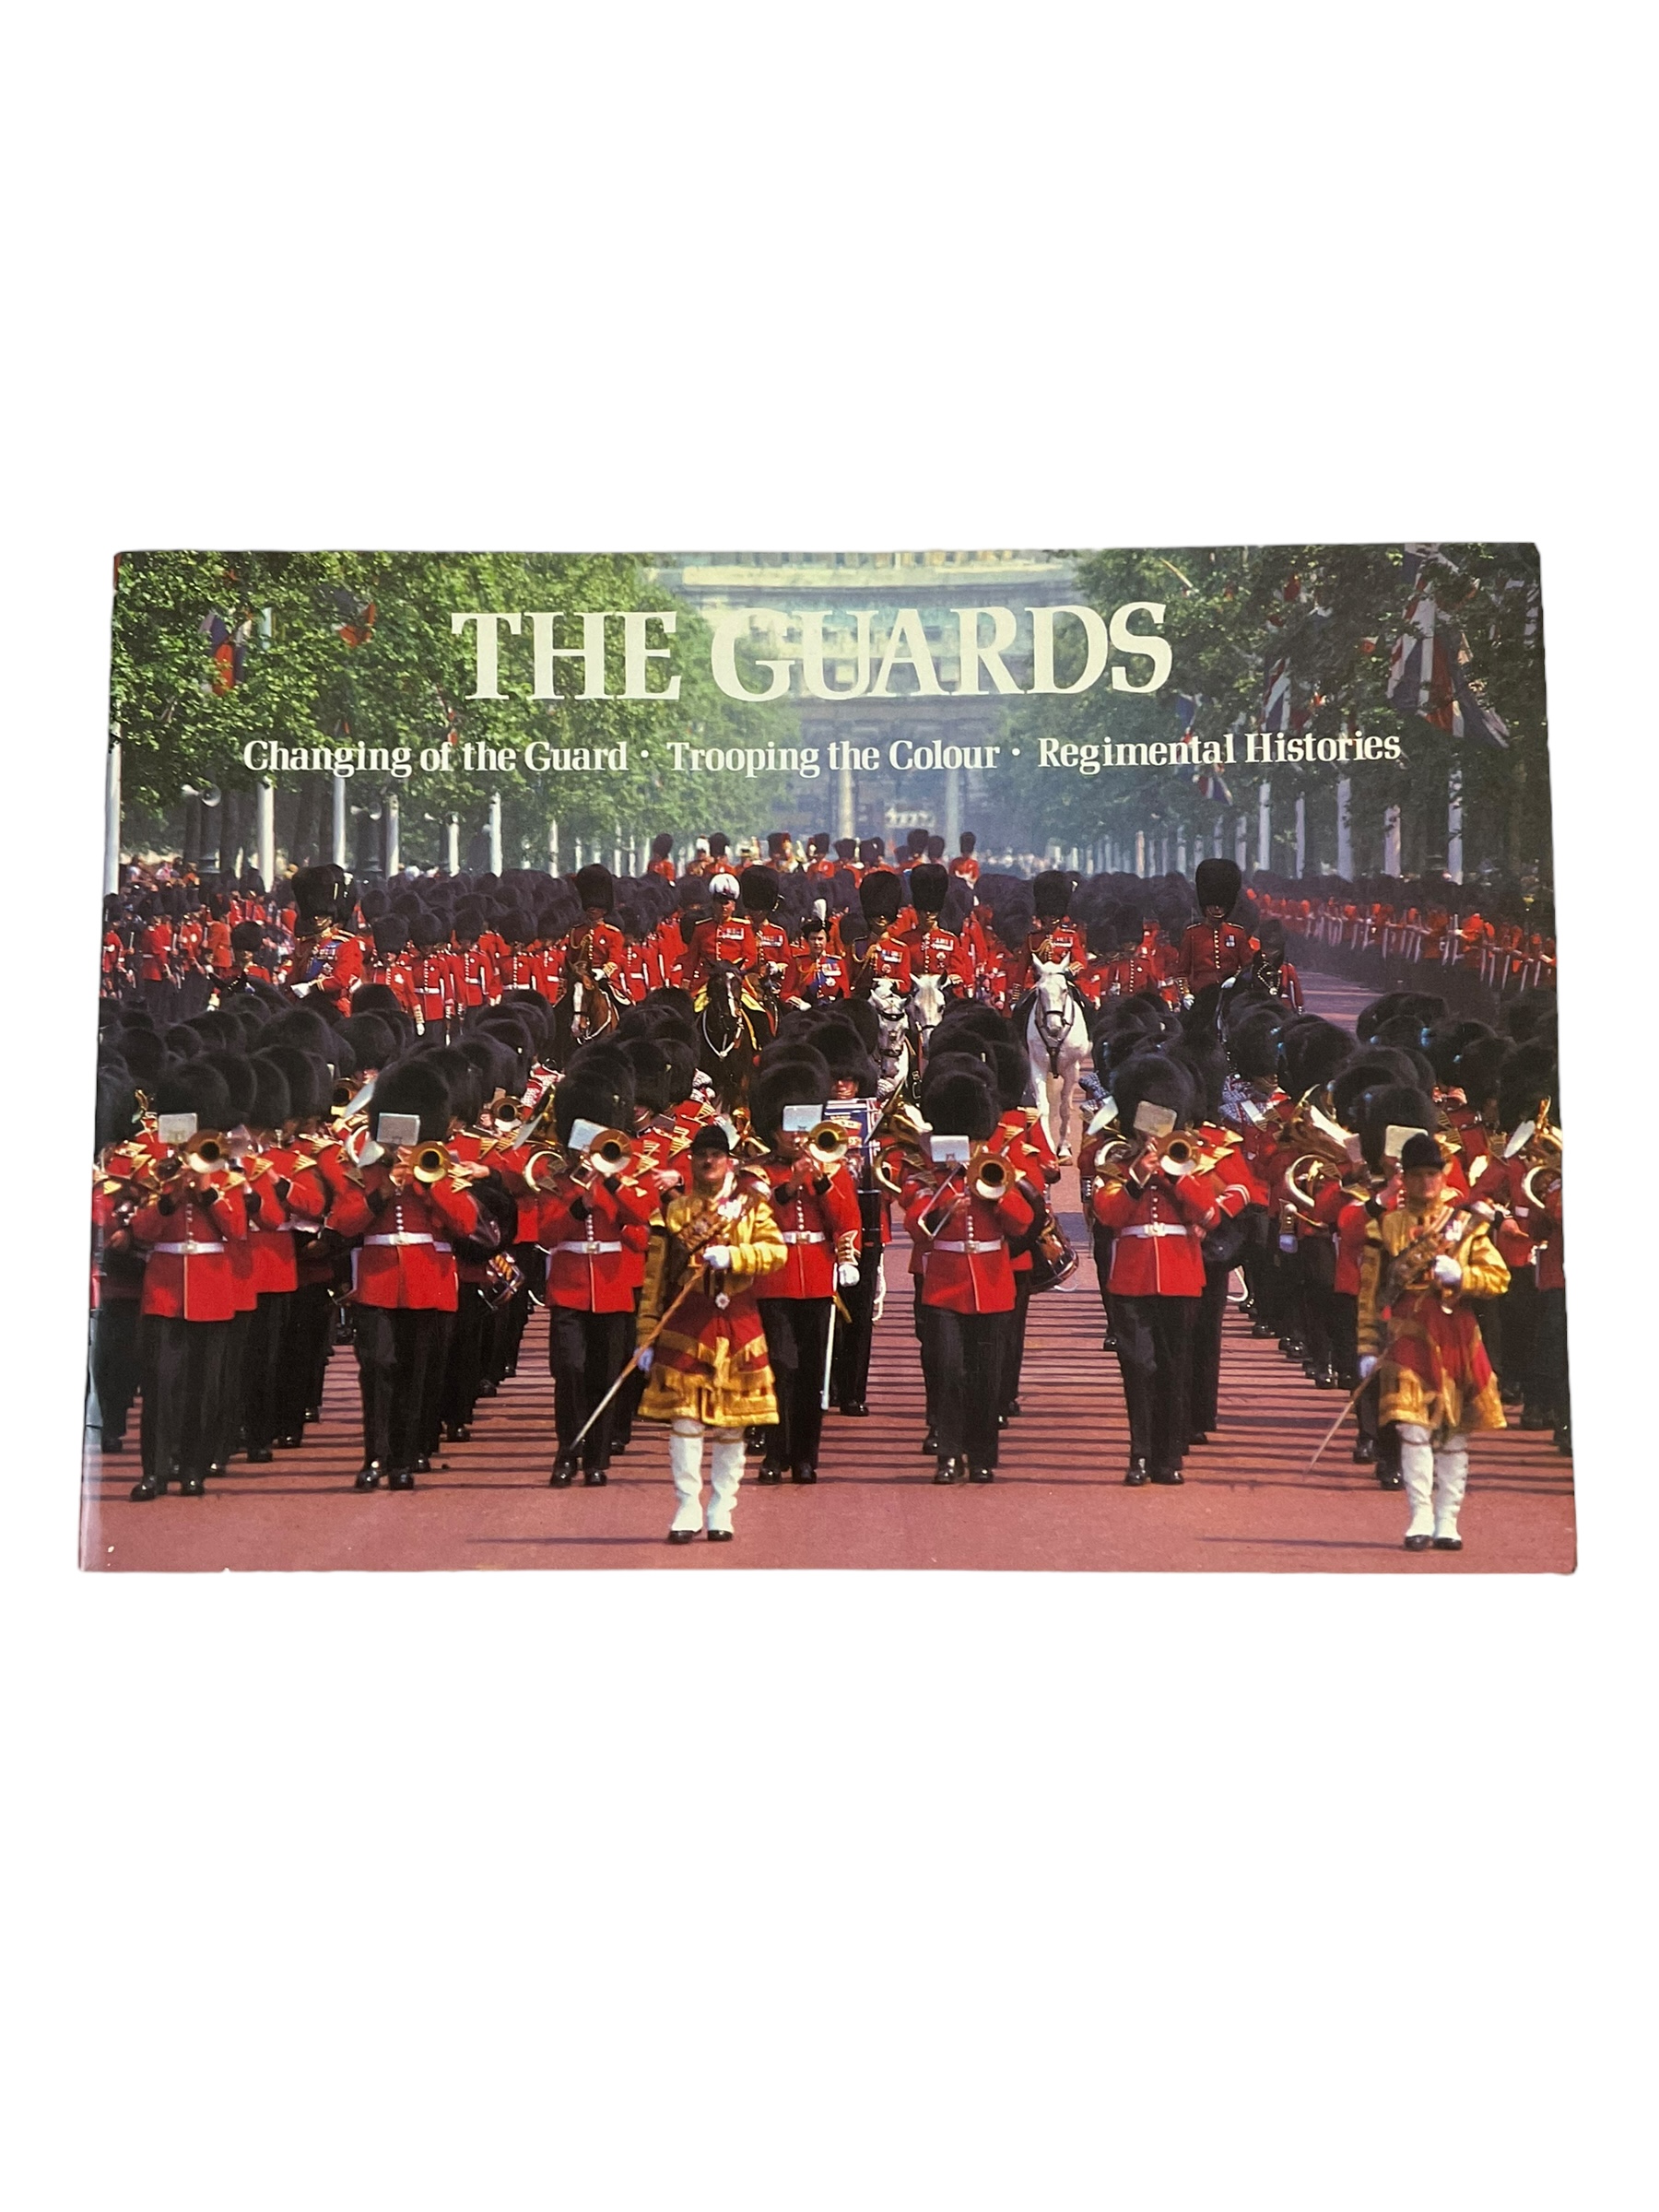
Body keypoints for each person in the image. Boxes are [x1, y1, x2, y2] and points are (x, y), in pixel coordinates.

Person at [1357, 1131, 1510, 1551]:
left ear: (1443, 1177)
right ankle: (1420, 1516)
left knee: (1453, 1433)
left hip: (1456, 1334)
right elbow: (1370, 1294)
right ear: (1404, 1179)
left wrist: (1463, 1276)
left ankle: (1448, 1520)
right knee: (1412, 1428)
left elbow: (1499, 1278)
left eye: (1432, 1174)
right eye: (1417, 1175)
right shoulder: (1385, 1226)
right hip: (1407, 1336)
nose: (1426, 1182)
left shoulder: (1465, 1225)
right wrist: (1367, 1346)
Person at [635, 1122, 786, 1542]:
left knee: (733, 1423)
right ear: (691, 1161)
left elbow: (776, 1252)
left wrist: (737, 1256)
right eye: (701, 1155)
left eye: (716, 1155)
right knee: (685, 1418)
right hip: (688, 1324)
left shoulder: (750, 1208)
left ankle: (722, 1506)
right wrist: (646, 1334)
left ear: (728, 1161)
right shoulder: (675, 1212)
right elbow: (655, 1280)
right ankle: (687, 1505)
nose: (708, 1161)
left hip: (738, 1324)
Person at [1090, 1053, 1220, 1486]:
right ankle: (1140, 1454)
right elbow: (1108, 1214)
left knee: (1173, 1368)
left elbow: (1209, 1214)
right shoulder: (1115, 1162)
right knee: (1138, 1367)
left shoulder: (1190, 1163)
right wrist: (1136, 1178)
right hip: (1132, 1279)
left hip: (1180, 1277)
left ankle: (1168, 1458)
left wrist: (1176, 1178)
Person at [900, 1065, 1034, 1484]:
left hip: (992, 1287)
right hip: (944, 1288)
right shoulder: (928, 1173)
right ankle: (948, 1454)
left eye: (976, 1139)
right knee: (947, 1372)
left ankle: (981, 1457)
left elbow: (1023, 1222)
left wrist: (996, 1197)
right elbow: (914, 1222)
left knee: (986, 1378)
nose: (971, 1146)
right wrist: (944, 1206)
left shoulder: (998, 1167)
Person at [747, 1066, 863, 1484]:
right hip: (773, 1278)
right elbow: (752, 1216)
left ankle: (805, 1457)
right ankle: (774, 1452)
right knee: (781, 1366)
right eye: (788, 1128)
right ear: (773, 1130)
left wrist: (823, 1182)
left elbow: (846, 1220)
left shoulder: (832, 1169)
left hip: (816, 1277)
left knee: (813, 1372)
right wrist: (792, 1185)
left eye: (801, 1127)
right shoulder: (757, 1172)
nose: (796, 1137)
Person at [1176, 858, 1253, 998]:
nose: (1217, 909)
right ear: (1205, 906)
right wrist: (1186, 994)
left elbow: (1248, 966)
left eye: (1221, 905)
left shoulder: (1237, 933)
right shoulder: (1192, 934)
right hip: (1201, 994)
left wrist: (1235, 979)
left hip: (1231, 993)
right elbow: (1182, 972)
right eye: (1213, 905)